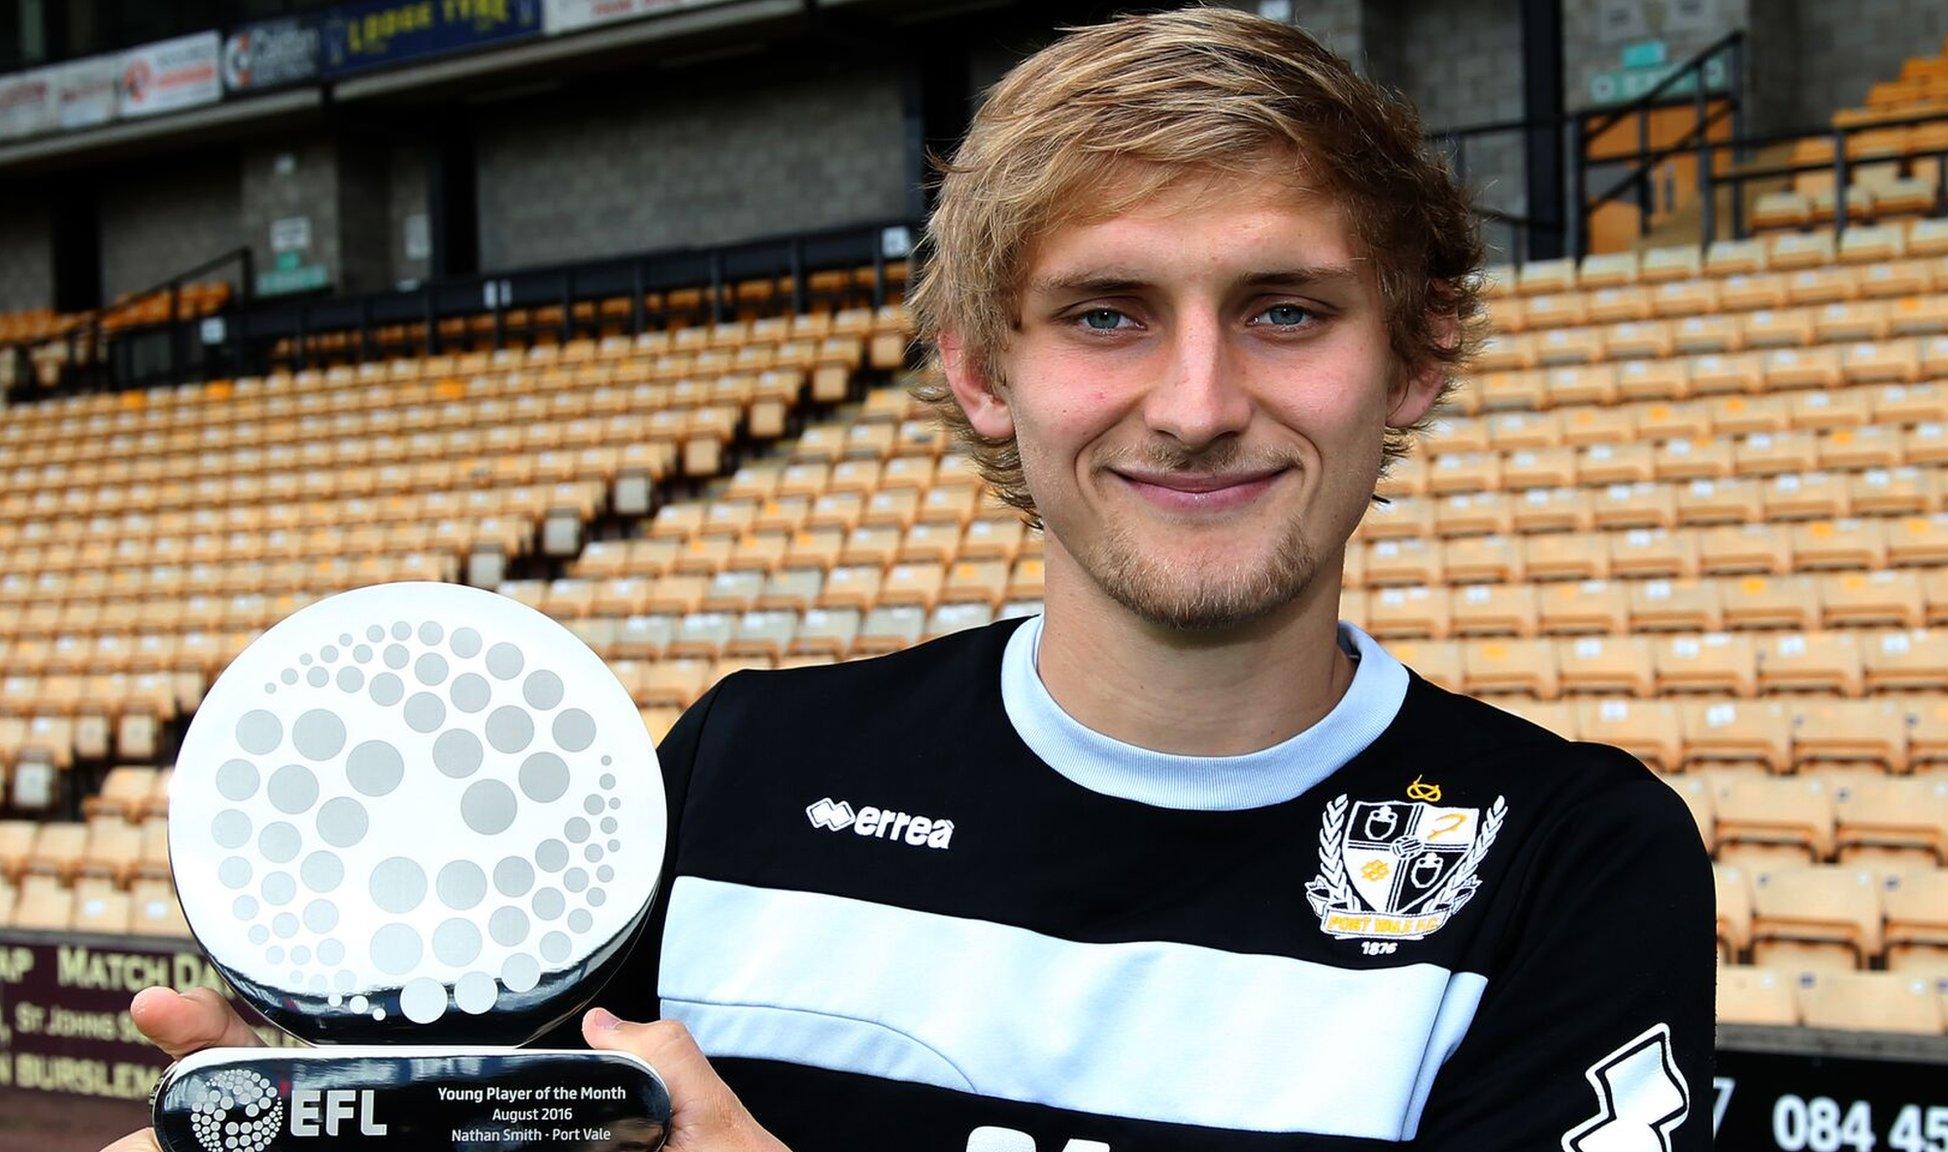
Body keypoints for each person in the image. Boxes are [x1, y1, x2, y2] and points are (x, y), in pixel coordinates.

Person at [103, 7, 1713, 1151]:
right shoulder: (739, 777)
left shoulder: (1571, 870)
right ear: (978, 370)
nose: (1203, 400)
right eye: (1107, 314)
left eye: (1287, 310)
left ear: (1417, 357)